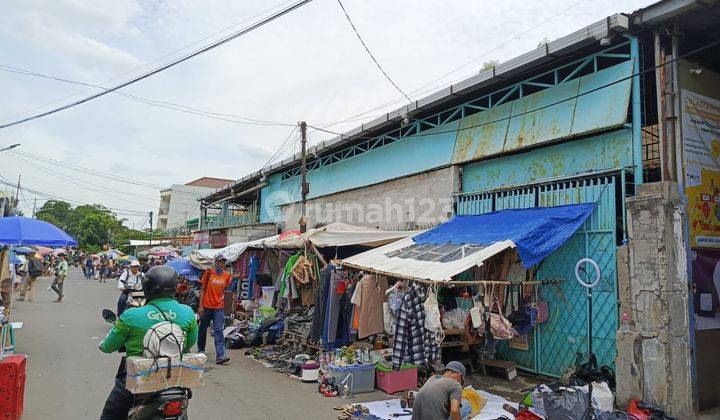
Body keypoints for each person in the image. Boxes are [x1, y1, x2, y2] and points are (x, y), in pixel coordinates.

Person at [98, 266, 198, 420]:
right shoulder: (188, 312)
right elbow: (189, 343)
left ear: (148, 289)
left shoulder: (131, 315)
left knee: (109, 416)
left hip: (138, 378)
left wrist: (103, 345)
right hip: (174, 378)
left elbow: (108, 346)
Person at [197, 256, 232, 365]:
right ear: (215, 262)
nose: (220, 265)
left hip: (218, 307)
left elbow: (224, 290)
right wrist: (200, 306)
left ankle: (220, 355)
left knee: (218, 330)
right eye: (219, 262)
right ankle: (201, 350)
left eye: (222, 263)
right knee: (202, 329)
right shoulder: (208, 273)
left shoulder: (227, 276)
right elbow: (202, 289)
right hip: (206, 306)